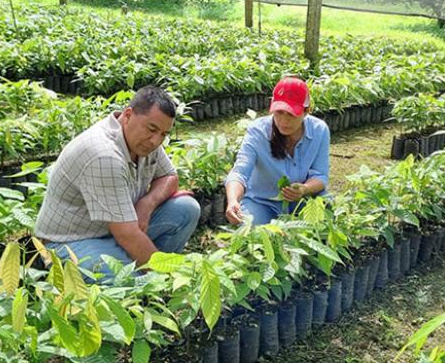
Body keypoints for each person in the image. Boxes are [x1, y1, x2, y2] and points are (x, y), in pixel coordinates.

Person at [34, 85, 200, 280]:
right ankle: (150, 276)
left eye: (163, 134)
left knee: (186, 209)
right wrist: (167, 278)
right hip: (72, 241)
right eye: (152, 129)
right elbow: (127, 234)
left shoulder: (144, 140)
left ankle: (144, 268)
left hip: (118, 230)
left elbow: (170, 177)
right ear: (128, 115)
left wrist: (146, 205)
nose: (156, 141)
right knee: (124, 280)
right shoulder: (104, 154)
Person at [225, 77, 329, 226]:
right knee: (251, 230)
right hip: (262, 202)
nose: (284, 121)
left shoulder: (319, 130)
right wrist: (233, 200)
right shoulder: (258, 131)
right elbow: (240, 173)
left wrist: (304, 189)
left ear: (306, 111)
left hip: (302, 201)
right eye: (279, 112)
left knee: (327, 213)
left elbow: (321, 175)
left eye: (291, 114)